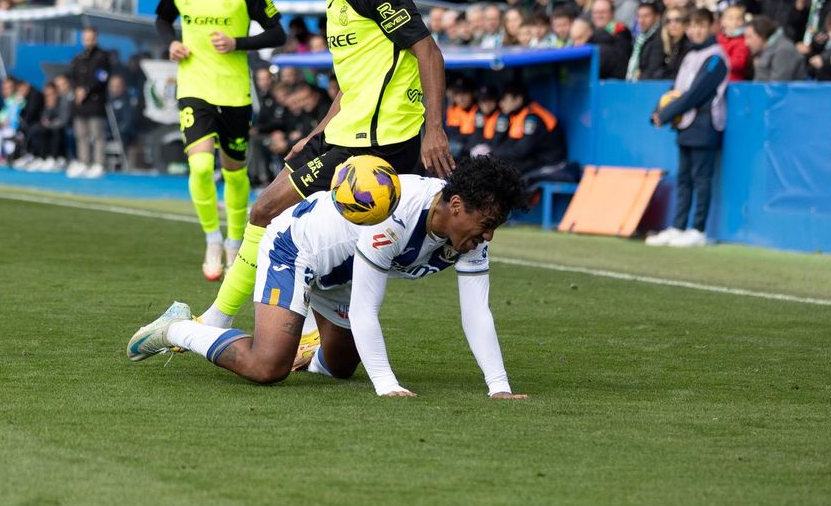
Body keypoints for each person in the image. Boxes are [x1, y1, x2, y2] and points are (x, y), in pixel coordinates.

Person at [192, 0, 453, 333]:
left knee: (266, 213)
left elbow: (428, 51)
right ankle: (314, 333)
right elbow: (352, 86)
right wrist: (314, 134)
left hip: (375, 143)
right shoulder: (337, 2)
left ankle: (216, 320)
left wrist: (434, 129)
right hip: (344, 133)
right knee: (314, 234)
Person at [127, 157, 533, 399]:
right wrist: (387, 385)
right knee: (269, 367)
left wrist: (498, 386)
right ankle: (176, 328)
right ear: (457, 206)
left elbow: (477, 312)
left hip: (341, 270)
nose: (489, 236)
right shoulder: (392, 217)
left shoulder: (469, 231)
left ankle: (297, 338)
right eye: (487, 224)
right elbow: (364, 309)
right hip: (296, 250)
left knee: (339, 366)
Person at [153, 0, 286, 278]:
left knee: (234, 173)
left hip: (234, 91)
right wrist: (171, 43)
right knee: (198, 166)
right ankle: (212, 239)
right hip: (193, 88)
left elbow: (278, 33)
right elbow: (162, 18)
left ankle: (234, 241)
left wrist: (238, 43)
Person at [650, 8, 728, 247]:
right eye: (692, 26)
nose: (695, 30)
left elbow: (696, 93)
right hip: (685, 124)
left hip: (705, 124)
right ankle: (678, 225)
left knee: (701, 177)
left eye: (701, 25)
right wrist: (658, 110)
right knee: (683, 177)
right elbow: (676, 90)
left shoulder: (715, 58)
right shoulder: (690, 54)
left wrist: (666, 115)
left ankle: (698, 229)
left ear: (712, 26)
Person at [66, 27, 116, 178]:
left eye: (91, 38)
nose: (89, 41)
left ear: (96, 38)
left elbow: (102, 77)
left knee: (97, 134)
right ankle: (84, 161)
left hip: (95, 101)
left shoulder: (102, 56)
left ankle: (99, 163)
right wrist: (76, 90)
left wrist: (86, 89)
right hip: (80, 103)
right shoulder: (79, 57)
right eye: (86, 38)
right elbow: (72, 76)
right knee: (81, 134)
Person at [746, 16, 806, 82]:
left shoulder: (784, 51)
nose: (746, 43)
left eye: (749, 37)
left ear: (761, 35)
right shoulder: (767, 50)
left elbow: (778, 87)